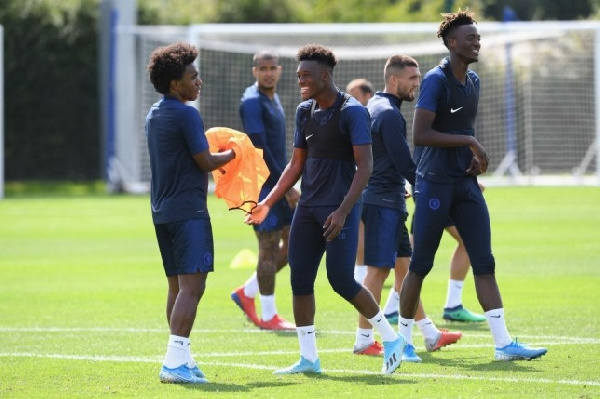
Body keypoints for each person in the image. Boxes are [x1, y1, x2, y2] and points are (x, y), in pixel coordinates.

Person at [246, 44, 405, 375]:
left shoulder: (353, 112)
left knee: (341, 280)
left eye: (306, 75)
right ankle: (309, 359)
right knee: (300, 280)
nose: (300, 80)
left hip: (340, 210)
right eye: (298, 75)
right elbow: (295, 164)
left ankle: (391, 339)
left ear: (325, 76)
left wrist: (345, 211)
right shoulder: (304, 110)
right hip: (308, 208)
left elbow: (365, 167)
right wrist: (268, 203)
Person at [398, 9, 547, 361]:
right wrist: (469, 142)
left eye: (478, 37)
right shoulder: (436, 80)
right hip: (433, 185)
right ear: (452, 44)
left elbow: (463, 132)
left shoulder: (474, 81)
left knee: (485, 260)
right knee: (420, 265)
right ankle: (402, 343)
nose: (477, 42)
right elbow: (420, 135)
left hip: (465, 185)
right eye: (470, 38)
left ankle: (503, 345)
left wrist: (474, 156)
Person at [352, 55, 462, 363]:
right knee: (378, 271)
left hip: (384, 199)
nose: (418, 83)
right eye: (412, 78)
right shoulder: (389, 114)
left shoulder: (373, 106)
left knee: (406, 271)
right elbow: (404, 162)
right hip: (383, 202)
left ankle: (429, 333)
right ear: (394, 80)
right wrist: (426, 188)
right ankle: (363, 339)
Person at [145, 42, 236, 384]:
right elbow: (206, 161)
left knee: (177, 287)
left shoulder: (155, 113)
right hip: (188, 211)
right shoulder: (186, 114)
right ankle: (173, 362)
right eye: (193, 77)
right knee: (193, 287)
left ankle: (180, 357)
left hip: (162, 211)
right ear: (174, 83)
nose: (199, 82)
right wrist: (232, 152)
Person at [231, 51, 298, 331]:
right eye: (263, 68)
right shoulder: (251, 102)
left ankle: (247, 292)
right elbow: (259, 149)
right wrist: (288, 186)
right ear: (254, 71)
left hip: (278, 181)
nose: (268, 73)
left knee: (295, 244)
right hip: (261, 186)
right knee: (269, 248)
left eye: (273, 68)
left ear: (280, 71)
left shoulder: (273, 97)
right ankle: (269, 315)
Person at [345, 78, 374, 285]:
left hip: (373, 179)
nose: (350, 99)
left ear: (368, 96)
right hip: (358, 178)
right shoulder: (352, 116)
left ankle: (362, 273)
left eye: (355, 95)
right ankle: (361, 273)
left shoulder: (371, 115)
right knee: (360, 225)